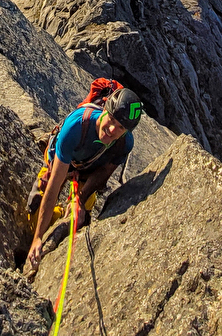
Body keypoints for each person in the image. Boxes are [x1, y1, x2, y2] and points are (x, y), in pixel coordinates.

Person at [26, 84, 144, 273]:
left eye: (120, 127)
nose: (112, 129)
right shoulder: (76, 126)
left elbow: (103, 175)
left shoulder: (124, 144)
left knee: (79, 222)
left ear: (127, 131)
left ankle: (64, 215)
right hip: (61, 160)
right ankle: (55, 216)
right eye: (111, 119)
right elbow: (54, 185)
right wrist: (38, 238)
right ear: (105, 110)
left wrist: (79, 200)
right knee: (35, 215)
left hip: (88, 170)